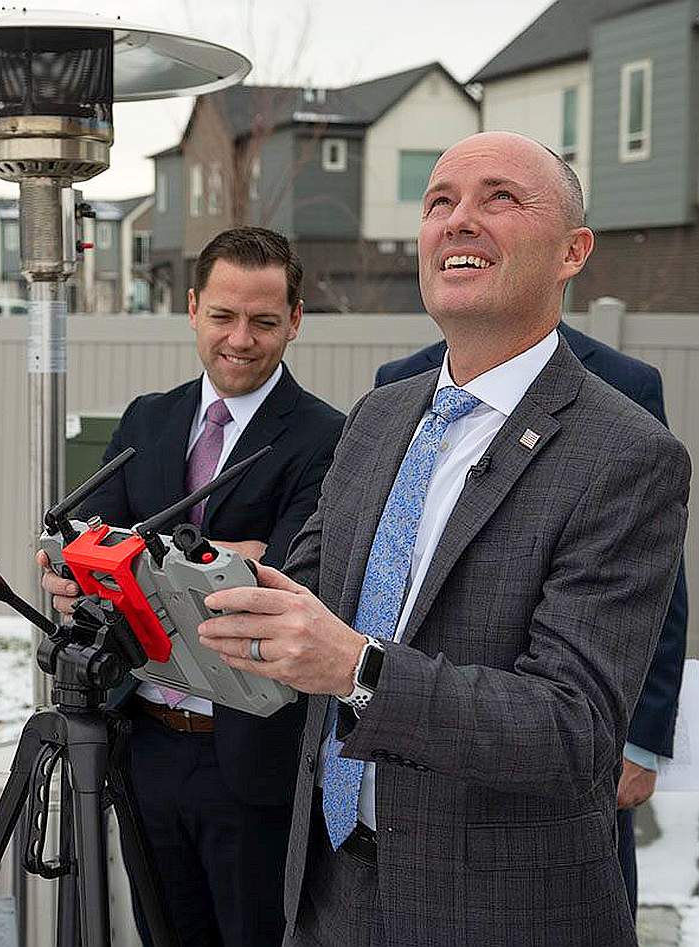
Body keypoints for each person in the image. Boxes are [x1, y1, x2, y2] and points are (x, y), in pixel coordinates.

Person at [196, 132, 690, 946]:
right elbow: (303, 597)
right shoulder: (377, 417)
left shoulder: (626, 456)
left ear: (572, 252)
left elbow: (572, 728)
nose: (458, 219)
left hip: (495, 908)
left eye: (499, 197)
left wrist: (358, 668)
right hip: (330, 883)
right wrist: (145, 586)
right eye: (439, 201)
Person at [38, 226, 345, 947]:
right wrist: (76, 573)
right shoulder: (151, 417)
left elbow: (286, 575)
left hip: (248, 751)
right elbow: (89, 545)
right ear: (191, 309)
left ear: (294, 321)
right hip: (142, 737)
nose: (240, 338)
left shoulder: (328, 436)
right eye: (223, 316)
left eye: (264, 321)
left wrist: (127, 557)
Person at [376, 321, 688, 919]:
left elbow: (657, 586)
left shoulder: (623, 385)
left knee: (586, 863)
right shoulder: (399, 386)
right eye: (435, 216)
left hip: (565, 722)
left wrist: (643, 740)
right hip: (415, 741)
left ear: (570, 252)